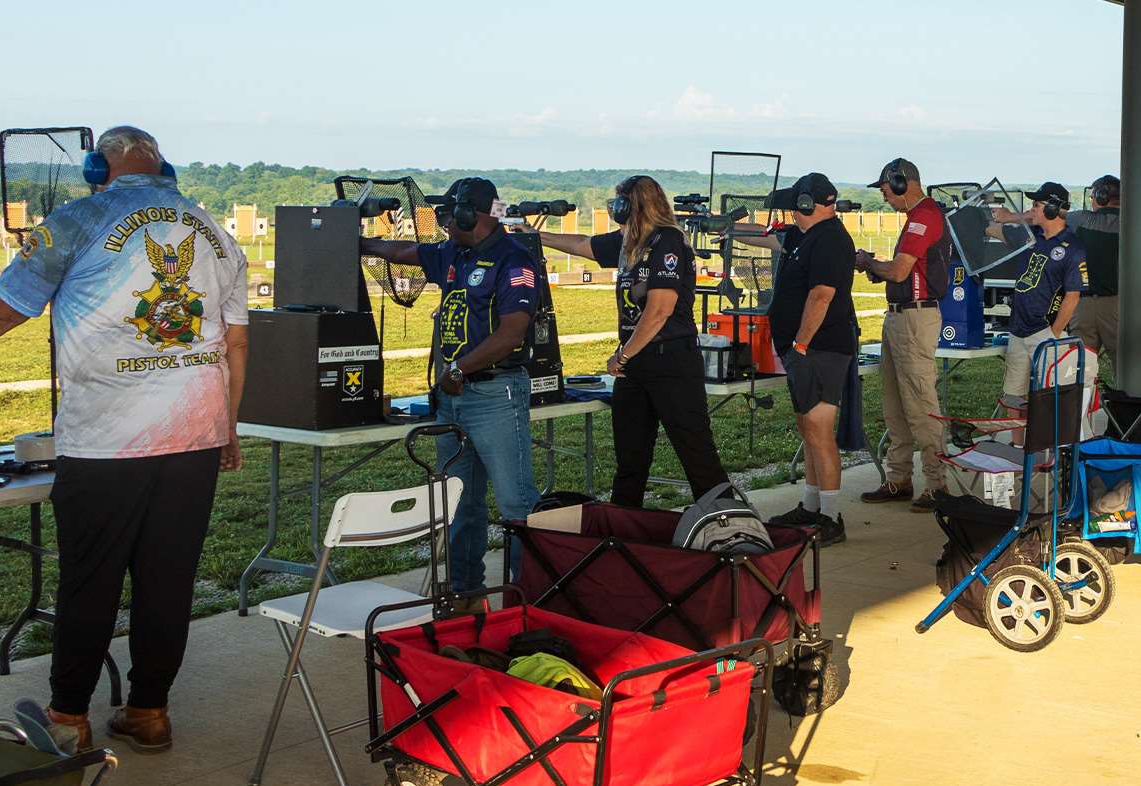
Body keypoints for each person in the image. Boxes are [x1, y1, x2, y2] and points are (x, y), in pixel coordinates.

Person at [0, 125, 248, 754]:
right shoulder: (214, 230)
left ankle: (68, 718)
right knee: (168, 582)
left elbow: (2, 308)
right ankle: (149, 711)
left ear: (96, 167)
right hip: (195, 435)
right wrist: (227, 425)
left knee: (90, 579)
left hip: (107, 443)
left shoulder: (77, 219)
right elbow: (236, 343)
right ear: (163, 167)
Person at [361, 177, 539, 596]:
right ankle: (465, 595)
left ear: (468, 214)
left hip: (494, 394)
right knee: (460, 505)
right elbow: (403, 252)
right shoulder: (454, 253)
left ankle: (530, 597)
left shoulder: (514, 259)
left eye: (447, 213)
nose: (441, 221)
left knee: (515, 505)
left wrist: (458, 370)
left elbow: (512, 332)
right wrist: (360, 243)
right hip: (454, 399)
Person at [538, 175, 728, 509]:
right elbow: (585, 244)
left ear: (635, 204)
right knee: (630, 461)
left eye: (619, 201)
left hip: (670, 360)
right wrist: (536, 237)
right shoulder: (631, 241)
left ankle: (729, 526)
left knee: (696, 455)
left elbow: (659, 311)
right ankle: (624, 533)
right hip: (636, 364)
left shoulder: (667, 241)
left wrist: (622, 356)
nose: (614, 208)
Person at [749, 172, 858, 545]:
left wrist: (800, 344)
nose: (792, 213)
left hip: (819, 348)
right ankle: (812, 507)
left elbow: (821, 296)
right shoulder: (806, 236)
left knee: (819, 431)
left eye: (796, 206)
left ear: (808, 204)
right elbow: (773, 241)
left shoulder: (829, 240)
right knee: (808, 429)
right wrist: (728, 230)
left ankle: (830, 517)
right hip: (807, 350)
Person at [856, 157, 952, 512]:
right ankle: (899, 478)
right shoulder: (917, 217)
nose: (884, 197)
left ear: (900, 182)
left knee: (921, 406)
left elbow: (898, 271)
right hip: (900, 317)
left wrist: (869, 263)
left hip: (914, 319)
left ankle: (937, 484)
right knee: (896, 406)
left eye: (884, 189)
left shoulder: (925, 215)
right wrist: (876, 267)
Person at [999, 184, 1086, 428]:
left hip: (1045, 333)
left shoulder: (1073, 248)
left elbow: (1073, 296)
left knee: (1049, 400)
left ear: (1050, 209)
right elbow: (995, 229)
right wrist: (1003, 217)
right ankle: (1017, 452)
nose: (1031, 210)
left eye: (1037, 206)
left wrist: (1054, 333)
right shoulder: (1030, 238)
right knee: (1014, 399)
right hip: (1018, 330)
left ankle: (1047, 455)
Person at [1065, 174, 1122, 382]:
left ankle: (1081, 412)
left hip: (1083, 305)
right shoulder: (1135, 225)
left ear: (1100, 195)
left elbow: (1047, 218)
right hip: (1119, 306)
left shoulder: (1080, 219)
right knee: (1125, 367)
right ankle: (1127, 412)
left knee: (1080, 367)